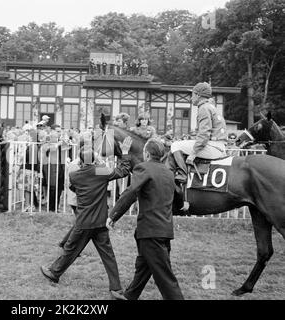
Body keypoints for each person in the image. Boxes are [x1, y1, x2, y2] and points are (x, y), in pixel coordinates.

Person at [40, 137, 133, 300]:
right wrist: (124, 152)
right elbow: (124, 170)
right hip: (100, 222)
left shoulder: (75, 174)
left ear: (80, 160)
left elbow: (73, 188)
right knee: (108, 255)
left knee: (70, 249)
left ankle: (54, 273)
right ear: (94, 159)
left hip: (83, 222)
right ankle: (116, 288)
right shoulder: (101, 171)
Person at [107, 138, 184, 300]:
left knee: (164, 275)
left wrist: (113, 215)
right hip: (164, 229)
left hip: (150, 231)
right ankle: (129, 296)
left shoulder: (143, 168)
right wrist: (183, 205)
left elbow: (131, 192)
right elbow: (178, 193)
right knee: (144, 266)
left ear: (147, 154)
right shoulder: (169, 172)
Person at [167, 82, 227, 206]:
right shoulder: (210, 107)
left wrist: (193, 153)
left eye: (193, 94)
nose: (191, 98)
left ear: (198, 95)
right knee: (180, 143)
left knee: (175, 146)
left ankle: (182, 175)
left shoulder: (203, 108)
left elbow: (204, 135)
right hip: (218, 145)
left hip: (213, 147)